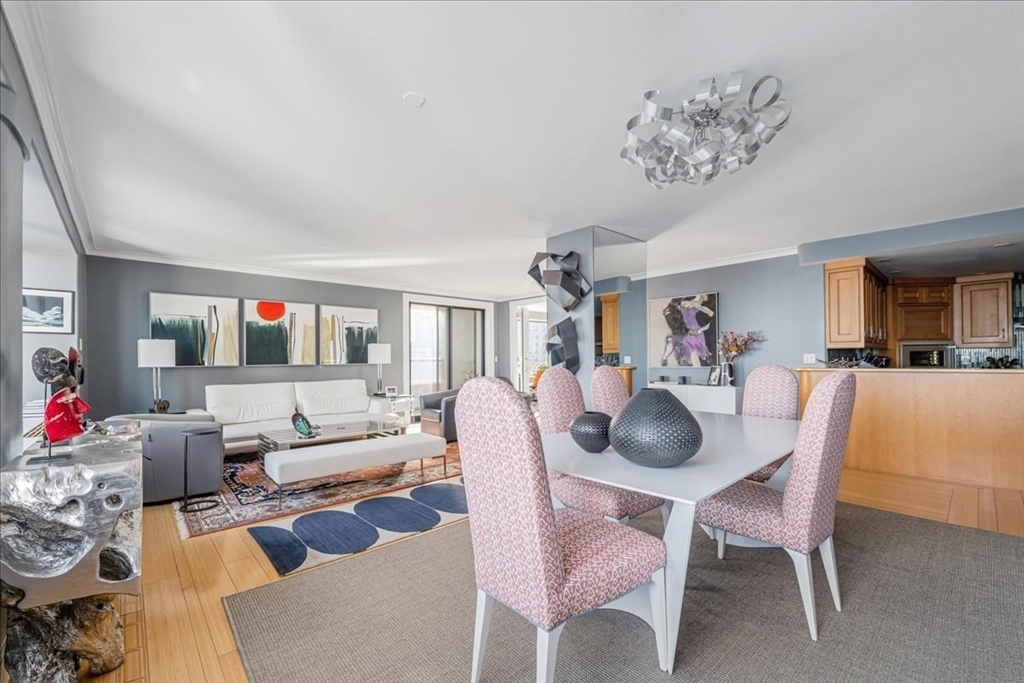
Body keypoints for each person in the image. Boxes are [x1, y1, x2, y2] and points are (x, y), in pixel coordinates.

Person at [660, 294, 715, 367]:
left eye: (707, 296)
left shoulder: (696, 305)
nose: (705, 296)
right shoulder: (681, 305)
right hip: (687, 332)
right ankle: (665, 358)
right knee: (689, 349)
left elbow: (711, 314)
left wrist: (695, 305)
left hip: (696, 332)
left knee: (695, 352)